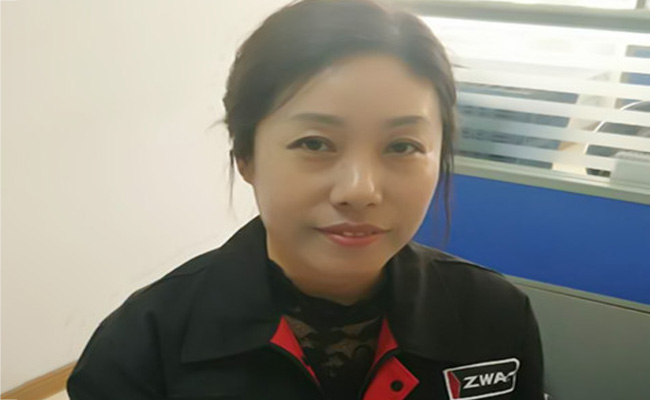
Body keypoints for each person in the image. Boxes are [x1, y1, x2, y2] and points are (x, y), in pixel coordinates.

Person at [67, 0, 545, 399]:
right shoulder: (143, 344)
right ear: (246, 156)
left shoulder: (495, 317)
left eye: (402, 146)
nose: (359, 190)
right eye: (315, 143)